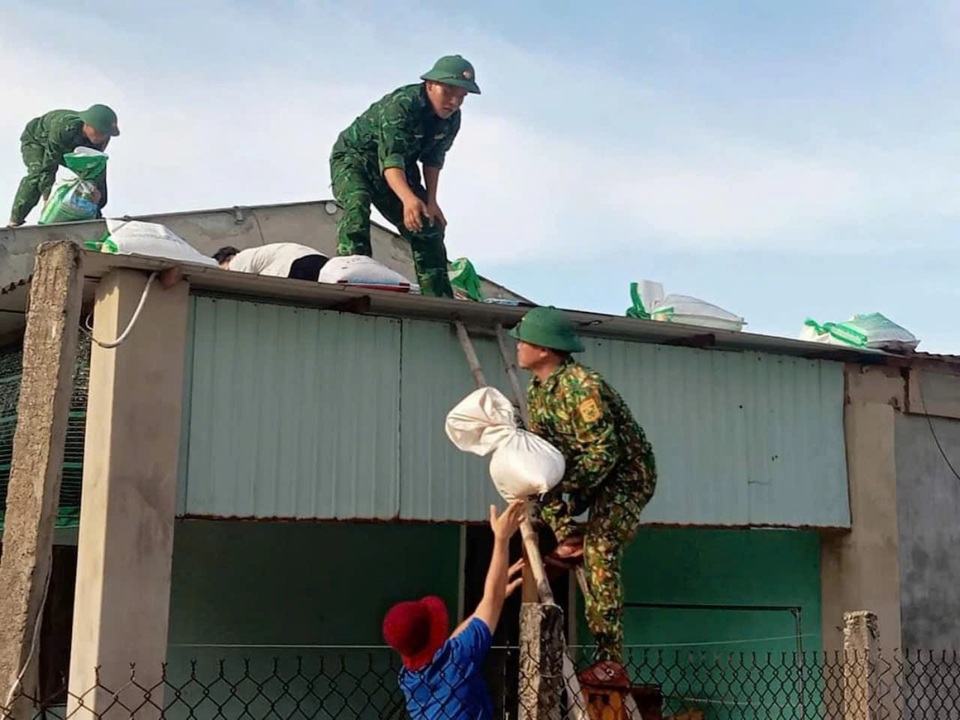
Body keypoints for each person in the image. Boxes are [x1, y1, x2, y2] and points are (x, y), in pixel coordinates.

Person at [509, 306, 658, 681]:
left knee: (602, 548)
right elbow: (547, 451)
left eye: (524, 341)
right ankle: (569, 539)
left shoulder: (582, 385)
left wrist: (565, 484)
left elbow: (605, 452)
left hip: (625, 477)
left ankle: (610, 659)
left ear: (545, 349)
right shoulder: (539, 389)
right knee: (541, 488)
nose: (518, 347)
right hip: (581, 472)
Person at [329, 55, 481, 298]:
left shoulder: (452, 119)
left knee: (429, 224)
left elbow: (433, 160)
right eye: (448, 91)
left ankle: (438, 297)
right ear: (430, 84)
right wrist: (408, 199)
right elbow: (391, 159)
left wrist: (431, 201)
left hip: (401, 167)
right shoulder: (402, 105)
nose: (454, 101)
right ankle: (354, 275)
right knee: (357, 205)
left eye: (462, 96)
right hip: (356, 158)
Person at [382, 499, 526, 719]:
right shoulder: (458, 659)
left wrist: (488, 602)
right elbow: (493, 602)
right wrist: (501, 538)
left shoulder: (410, 679)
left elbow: (459, 637)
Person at [8, 104, 119, 227]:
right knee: (38, 174)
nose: (101, 137)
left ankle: (94, 218)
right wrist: (47, 198)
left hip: (71, 148)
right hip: (39, 141)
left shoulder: (101, 139)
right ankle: (15, 221)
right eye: (98, 132)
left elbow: (94, 166)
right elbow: (49, 166)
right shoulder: (64, 128)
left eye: (105, 134)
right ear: (87, 125)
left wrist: (96, 194)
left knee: (93, 179)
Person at [213, 243, 329, 281]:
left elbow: (242, 282)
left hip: (296, 264)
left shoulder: (238, 260)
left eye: (226, 269)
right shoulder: (257, 254)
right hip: (322, 262)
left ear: (228, 259)